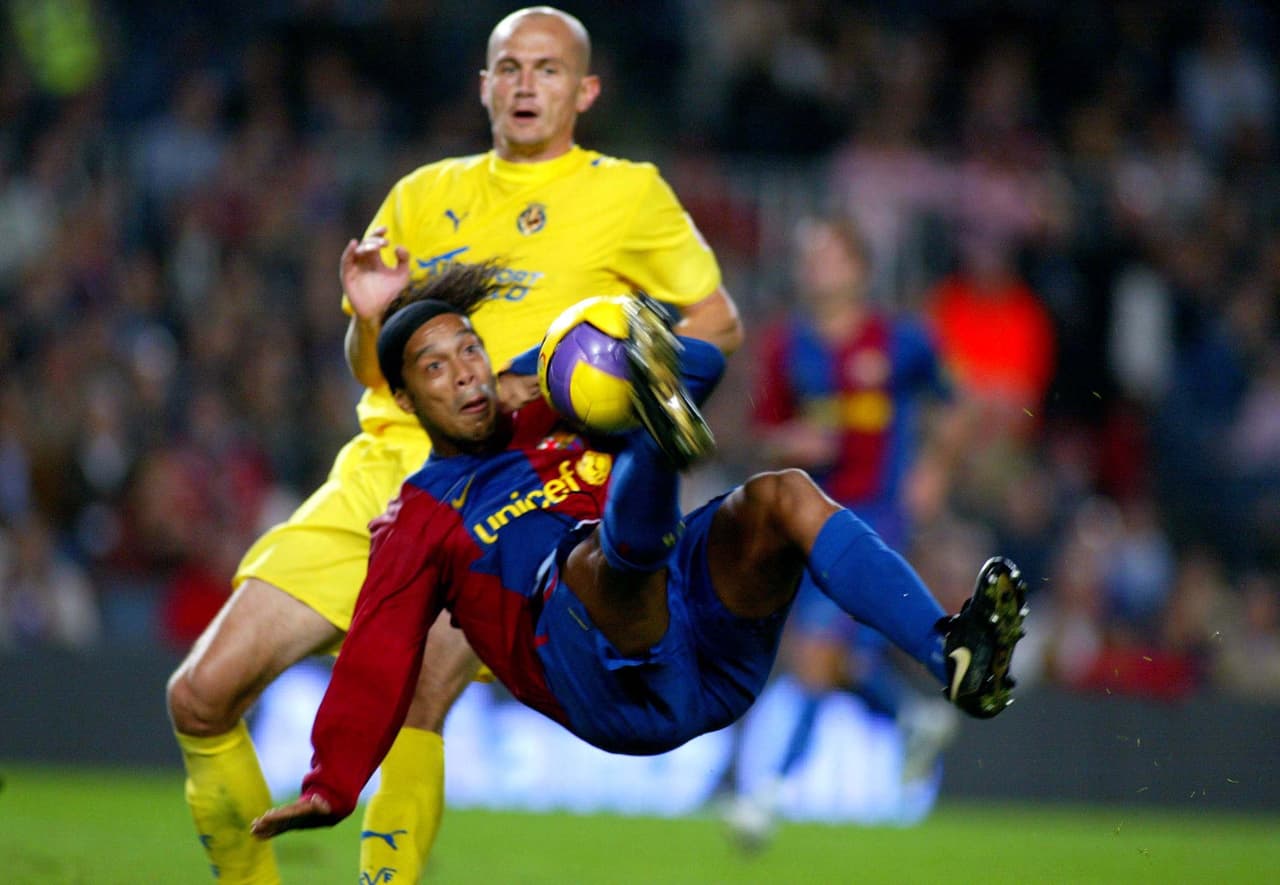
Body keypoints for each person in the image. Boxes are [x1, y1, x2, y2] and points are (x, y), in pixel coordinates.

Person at [164, 8, 742, 884]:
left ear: (584, 92)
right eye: (507, 67)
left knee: (418, 702)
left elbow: (717, 323)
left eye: (547, 70)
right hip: (378, 476)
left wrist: (623, 392)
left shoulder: (628, 195)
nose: (524, 84)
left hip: (501, 494)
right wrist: (368, 316)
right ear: (482, 85)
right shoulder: (422, 195)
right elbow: (373, 369)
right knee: (200, 696)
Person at [248, 262, 1028, 839]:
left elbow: (710, 365)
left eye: (470, 350)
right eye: (436, 367)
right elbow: (379, 649)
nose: (466, 374)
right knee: (591, 561)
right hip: (604, 680)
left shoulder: (548, 405)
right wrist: (333, 783)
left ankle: (947, 652)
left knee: (782, 494)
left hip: (708, 651)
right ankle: (655, 444)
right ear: (409, 400)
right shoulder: (417, 515)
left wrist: (579, 362)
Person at [720, 216, 967, 847]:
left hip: (878, 514)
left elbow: (955, 403)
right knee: (840, 658)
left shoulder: (902, 339)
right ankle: (910, 715)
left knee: (813, 652)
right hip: (811, 517)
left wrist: (935, 467)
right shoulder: (784, 345)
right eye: (807, 257)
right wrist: (788, 440)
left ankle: (766, 794)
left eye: (828, 255)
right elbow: (760, 433)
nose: (814, 267)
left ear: (858, 267)